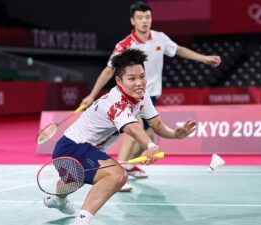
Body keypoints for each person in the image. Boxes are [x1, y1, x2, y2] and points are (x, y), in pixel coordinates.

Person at [44, 49, 197, 225]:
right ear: (119, 81)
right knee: (117, 175)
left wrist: (176, 135)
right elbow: (133, 128)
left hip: (84, 149)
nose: (139, 83)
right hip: (72, 147)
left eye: (142, 76)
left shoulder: (141, 95)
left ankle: (58, 200)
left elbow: (157, 125)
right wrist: (150, 146)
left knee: (74, 180)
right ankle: (81, 222)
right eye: (132, 79)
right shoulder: (116, 103)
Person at [81, 1, 221, 189]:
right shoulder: (125, 45)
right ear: (132, 21)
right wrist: (92, 94)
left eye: (147, 17)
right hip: (131, 96)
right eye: (140, 18)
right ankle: (119, 175)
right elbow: (108, 71)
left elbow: (178, 50)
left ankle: (129, 165)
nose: (145, 21)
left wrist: (204, 58)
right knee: (135, 130)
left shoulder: (160, 38)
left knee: (150, 136)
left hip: (151, 95)